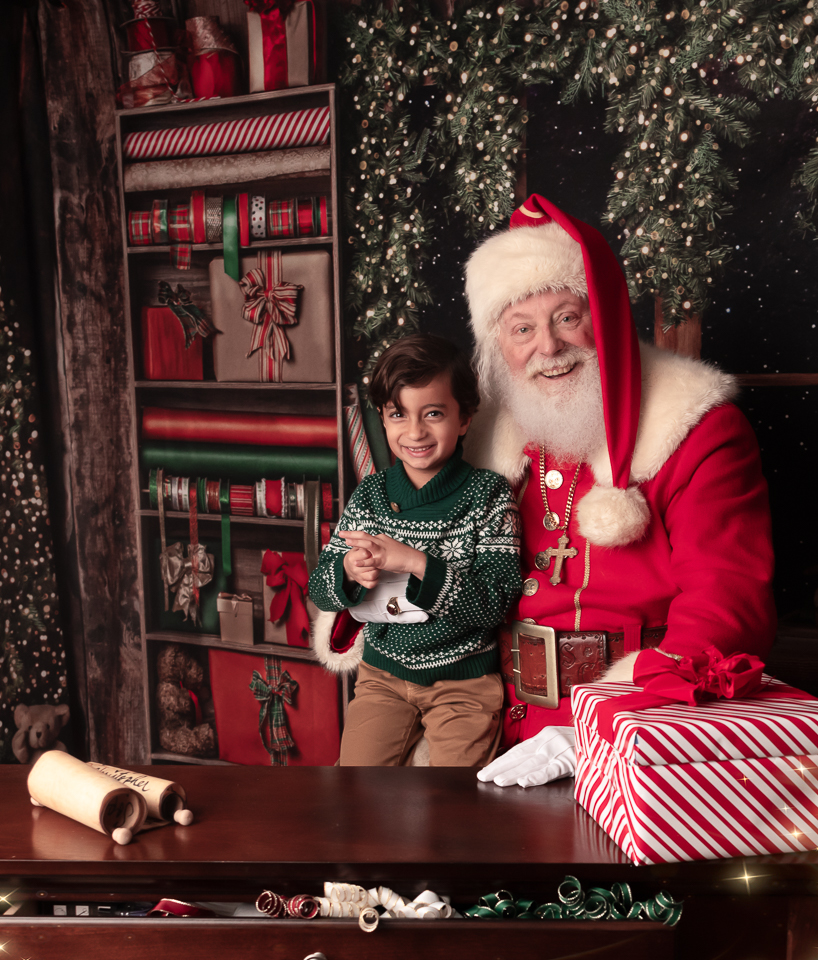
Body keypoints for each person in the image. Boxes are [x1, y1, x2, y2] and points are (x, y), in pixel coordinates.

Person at [466, 196, 776, 787]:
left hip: (647, 726)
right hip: (492, 726)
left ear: (604, 316)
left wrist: (606, 728)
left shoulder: (697, 429)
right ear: (497, 346)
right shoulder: (481, 437)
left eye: (567, 316)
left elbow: (727, 607)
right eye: (522, 329)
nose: (548, 348)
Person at [308, 334, 523, 766]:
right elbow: (319, 589)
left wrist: (416, 563)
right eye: (398, 415)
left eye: (434, 414)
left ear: (464, 418)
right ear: (383, 421)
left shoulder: (488, 495)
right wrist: (348, 570)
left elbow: (496, 604)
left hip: (463, 683)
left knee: (456, 806)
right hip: (382, 676)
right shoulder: (370, 496)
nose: (415, 432)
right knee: (357, 789)